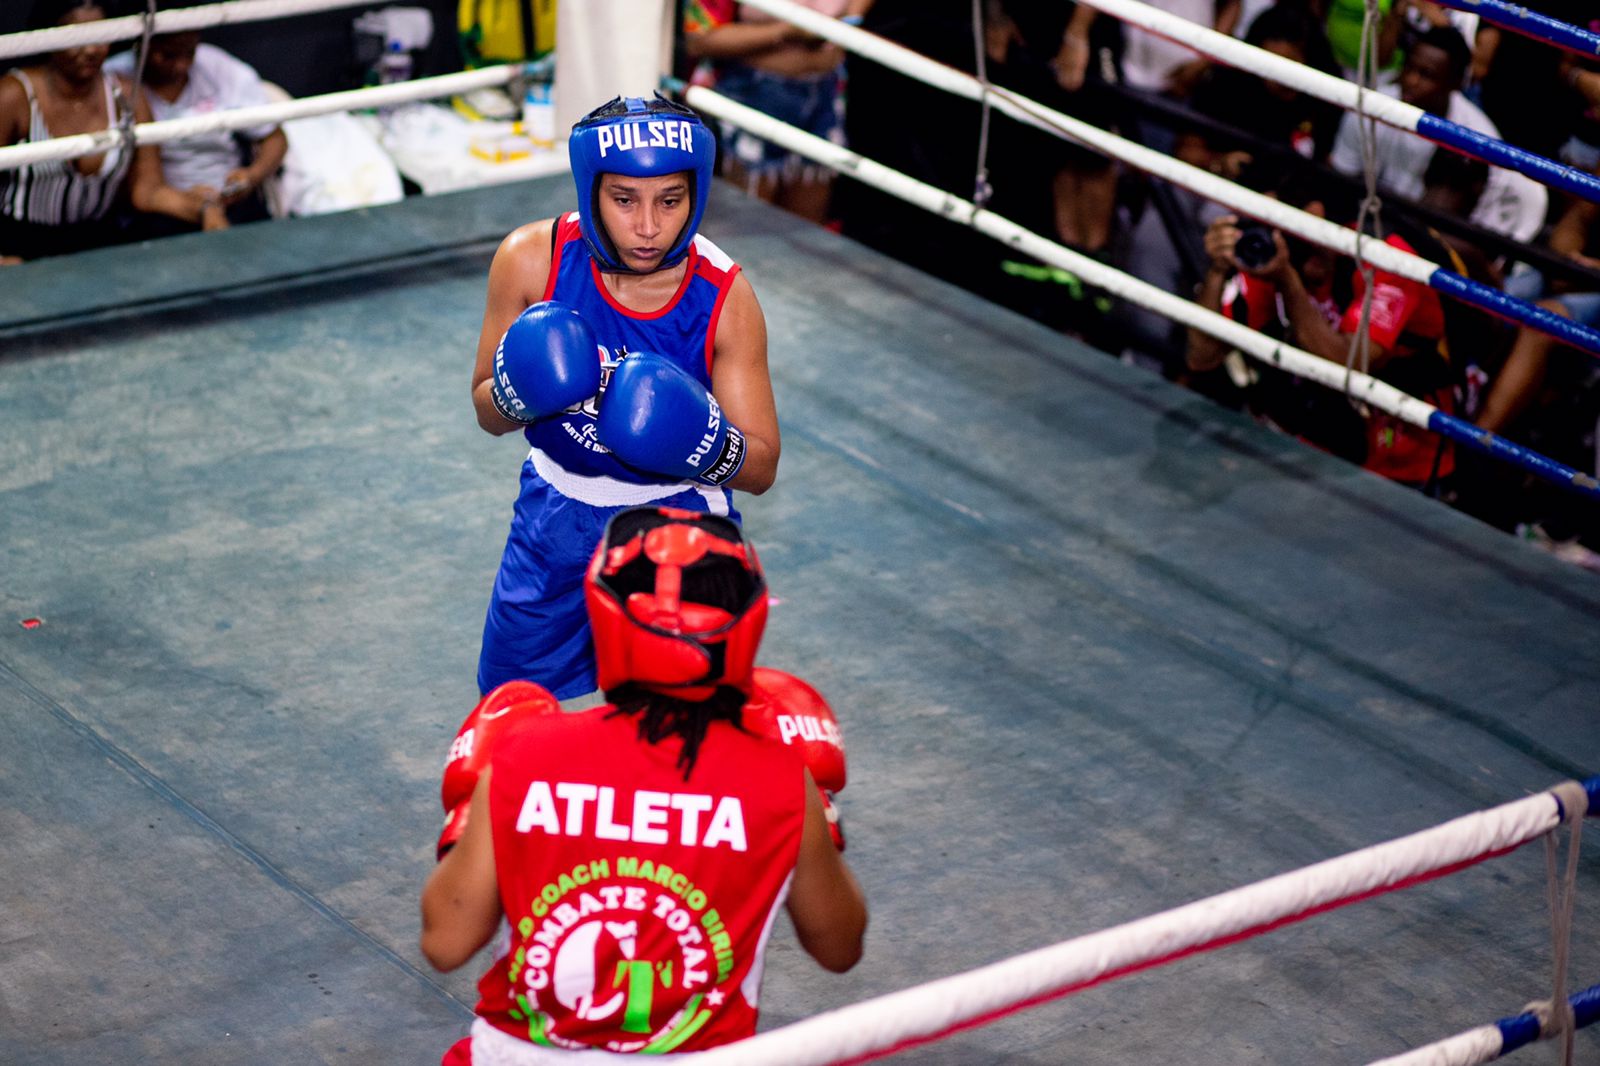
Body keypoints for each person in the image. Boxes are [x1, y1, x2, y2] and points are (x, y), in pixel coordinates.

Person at [421, 505, 867, 1060]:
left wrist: (464, 819)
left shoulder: (523, 754)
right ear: (746, 626)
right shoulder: (784, 783)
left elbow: (446, 943)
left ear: (605, 618)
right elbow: (840, 949)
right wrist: (823, 819)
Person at [471, 94, 780, 701]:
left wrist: (698, 440)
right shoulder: (532, 260)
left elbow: (762, 466)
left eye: (669, 200)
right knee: (511, 708)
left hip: (677, 528)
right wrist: (519, 392)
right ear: (591, 192)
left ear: (695, 195)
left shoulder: (724, 296)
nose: (647, 226)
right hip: (554, 513)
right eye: (624, 200)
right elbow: (485, 411)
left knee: (678, 726)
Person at [1187, 172, 1471, 490]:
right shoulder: (1278, 252)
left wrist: (1288, 282)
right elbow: (1202, 357)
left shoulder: (1386, 257)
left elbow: (1348, 364)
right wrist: (1218, 270)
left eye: (1312, 240)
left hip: (1400, 450)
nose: (1310, 256)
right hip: (1311, 439)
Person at [0, 0, 211, 263]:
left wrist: (200, 207)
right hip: (19, 244)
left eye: (100, 36)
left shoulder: (126, 95)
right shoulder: (13, 95)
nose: (91, 50)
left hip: (98, 243)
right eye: (76, 38)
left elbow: (147, 189)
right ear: (47, 36)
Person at [1327, 25, 1547, 243]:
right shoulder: (1372, 107)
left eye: (1426, 75)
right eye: (1409, 68)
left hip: (1435, 241)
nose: (1411, 81)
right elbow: (1340, 177)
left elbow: (1467, 240)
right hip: (1371, 222)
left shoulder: (1476, 140)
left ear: (1455, 83)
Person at [682, 0, 874, 225]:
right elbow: (699, 39)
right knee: (743, 227)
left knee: (806, 232)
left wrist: (850, 18)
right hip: (751, 93)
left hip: (827, 91)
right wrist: (786, 31)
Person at [104, 9, 287, 234]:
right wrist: (199, 205)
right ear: (142, 43)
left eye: (189, 53)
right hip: (160, 213)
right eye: (168, 55)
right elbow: (143, 190)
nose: (180, 65)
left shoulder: (217, 67)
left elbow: (274, 137)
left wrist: (250, 176)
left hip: (231, 202)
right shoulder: (118, 85)